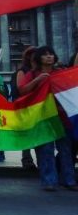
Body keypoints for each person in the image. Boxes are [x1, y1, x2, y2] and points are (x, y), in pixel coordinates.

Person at [18, 46, 77, 191]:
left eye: (51, 54)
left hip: (62, 117)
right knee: (46, 151)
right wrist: (38, 80)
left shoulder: (61, 72)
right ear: (39, 58)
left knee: (66, 150)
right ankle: (49, 181)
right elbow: (22, 90)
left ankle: (69, 180)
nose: (49, 57)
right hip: (43, 119)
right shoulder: (33, 74)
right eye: (45, 55)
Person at [13, 46, 39, 171]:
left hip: (39, 107)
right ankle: (27, 159)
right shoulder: (22, 71)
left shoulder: (41, 70)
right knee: (27, 134)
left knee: (40, 134)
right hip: (26, 107)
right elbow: (21, 90)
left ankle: (41, 159)